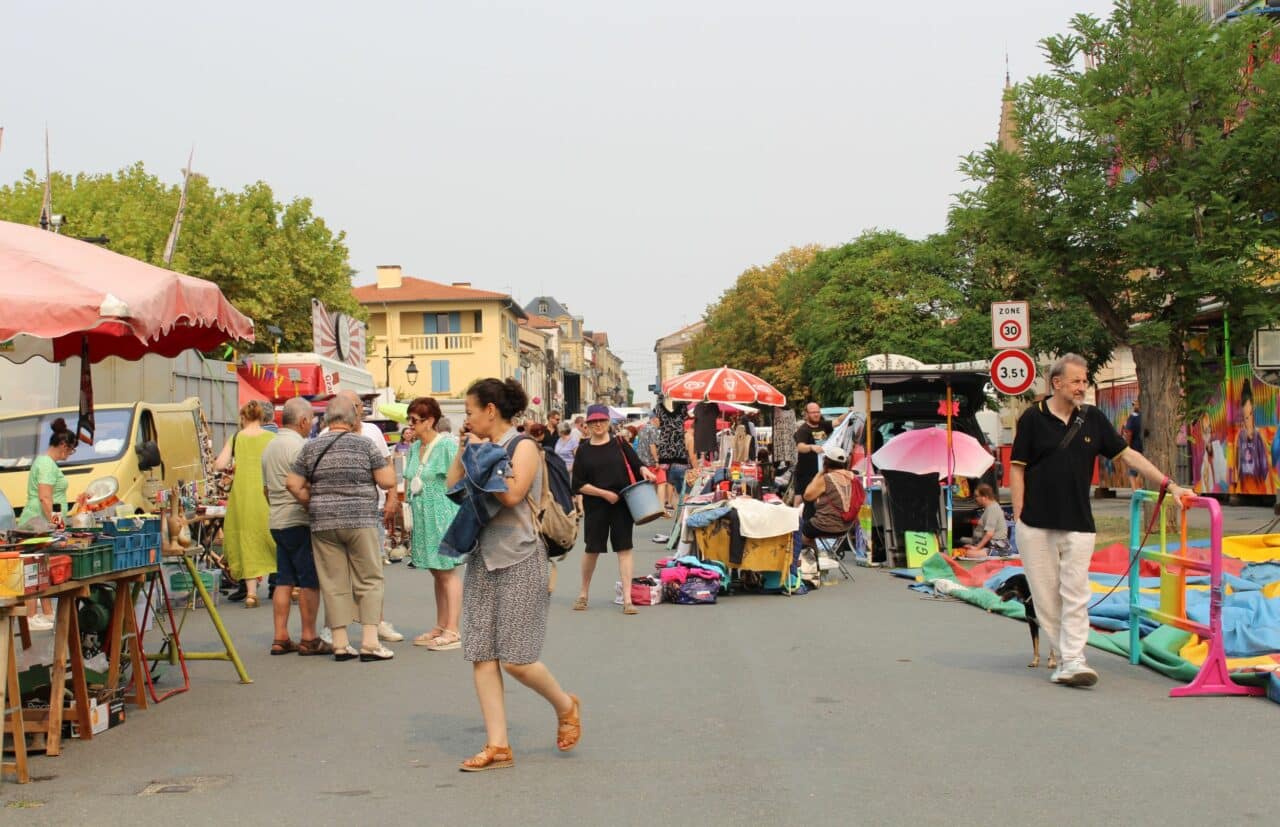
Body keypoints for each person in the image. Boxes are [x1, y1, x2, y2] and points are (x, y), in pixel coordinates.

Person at [1010, 353, 1188, 688]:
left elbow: (1128, 455)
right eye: (1076, 381)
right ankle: (1064, 655)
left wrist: (1168, 484)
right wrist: (1019, 515)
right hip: (1036, 524)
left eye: (1084, 380)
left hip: (1079, 523)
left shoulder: (1093, 419)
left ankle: (1073, 659)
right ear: (1057, 383)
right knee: (1047, 598)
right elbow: (1017, 468)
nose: (1082, 387)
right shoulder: (1032, 419)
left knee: (1076, 593)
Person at [445, 378, 580, 771]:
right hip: (482, 558)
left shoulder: (523, 447)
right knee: (482, 654)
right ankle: (498, 745)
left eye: (470, 411)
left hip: (520, 555)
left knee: (518, 659)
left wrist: (481, 458)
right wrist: (464, 451)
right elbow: (452, 486)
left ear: (490, 410)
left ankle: (565, 705)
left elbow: (510, 495)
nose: (466, 419)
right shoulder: (476, 445)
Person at [286, 397, 397, 662]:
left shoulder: (311, 447)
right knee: (369, 578)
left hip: (323, 522)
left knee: (333, 581)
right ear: (354, 420)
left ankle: (339, 642)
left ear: (326, 420)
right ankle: (370, 642)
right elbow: (386, 481)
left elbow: (292, 483)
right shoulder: (365, 444)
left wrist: (311, 502)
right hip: (360, 520)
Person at [327, 390, 403, 642]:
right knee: (342, 575)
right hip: (343, 513)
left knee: (372, 571)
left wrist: (392, 497)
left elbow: (387, 464)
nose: (358, 410)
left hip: (371, 510)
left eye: (358, 405)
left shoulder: (372, 433)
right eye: (353, 406)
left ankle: (376, 621)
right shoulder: (328, 435)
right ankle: (339, 626)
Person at [570, 404, 656, 614]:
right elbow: (578, 484)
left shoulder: (619, 443)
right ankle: (583, 593)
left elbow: (637, 464)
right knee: (592, 550)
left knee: (624, 549)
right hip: (596, 506)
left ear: (608, 422)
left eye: (601, 420)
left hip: (622, 504)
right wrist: (603, 493)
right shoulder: (583, 450)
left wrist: (645, 471)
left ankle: (627, 599)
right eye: (593, 421)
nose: (598, 425)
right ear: (587, 425)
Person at [259, 398, 329, 655]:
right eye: (309, 420)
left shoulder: (269, 447)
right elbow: (308, 483)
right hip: (298, 519)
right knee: (309, 580)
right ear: (302, 421)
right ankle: (309, 636)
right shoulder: (300, 446)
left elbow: (266, 490)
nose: (310, 425)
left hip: (276, 520)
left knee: (284, 580)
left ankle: (280, 636)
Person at [403, 396, 464, 650]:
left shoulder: (446, 444)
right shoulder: (416, 447)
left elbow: (460, 477)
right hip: (422, 515)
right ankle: (440, 625)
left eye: (415, 420)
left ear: (430, 421)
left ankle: (453, 628)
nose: (410, 424)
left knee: (446, 571)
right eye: (409, 419)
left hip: (441, 515)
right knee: (436, 571)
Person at [17, 418, 80, 630]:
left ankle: (46, 611)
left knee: (44, 564)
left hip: (43, 520)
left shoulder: (46, 463)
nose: (68, 455)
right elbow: (45, 497)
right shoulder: (46, 464)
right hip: (38, 521)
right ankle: (31, 614)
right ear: (64, 446)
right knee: (34, 565)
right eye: (70, 451)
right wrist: (56, 523)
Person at [214, 402, 277, 607]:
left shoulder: (236, 438)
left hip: (242, 495)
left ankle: (251, 594)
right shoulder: (271, 438)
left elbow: (219, 465)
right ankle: (288, 585)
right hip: (266, 493)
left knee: (247, 539)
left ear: (243, 417)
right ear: (262, 417)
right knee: (272, 537)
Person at [798, 443, 862, 542]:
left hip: (823, 526)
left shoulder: (827, 478)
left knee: (798, 529)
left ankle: (809, 552)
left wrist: (820, 472)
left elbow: (807, 496)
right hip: (846, 527)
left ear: (826, 462)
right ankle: (811, 552)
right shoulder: (853, 477)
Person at [792, 403, 836, 505]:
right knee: (806, 500)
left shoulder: (823, 425)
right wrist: (811, 447)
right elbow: (800, 447)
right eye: (813, 412)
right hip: (806, 473)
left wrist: (849, 413)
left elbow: (838, 422)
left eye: (818, 412)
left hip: (821, 472)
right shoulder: (803, 430)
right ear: (807, 414)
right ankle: (798, 519)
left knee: (819, 500)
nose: (816, 415)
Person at [1234, 384, 1269, 494]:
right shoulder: (1240, 436)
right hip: (1245, 480)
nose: (1248, 420)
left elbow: (1263, 461)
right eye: (1245, 417)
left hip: (1257, 481)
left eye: (1250, 415)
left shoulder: (1258, 435)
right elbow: (1237, 458)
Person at [961, 483, 1009, 558]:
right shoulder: (989, 508)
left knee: (969, 554)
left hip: (998, 546)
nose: (975, 499)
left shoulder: (992, 509)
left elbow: (989, 534)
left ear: (984, 497)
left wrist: (977, 548)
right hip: (991, 544)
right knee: (963, 543)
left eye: (977, 496)